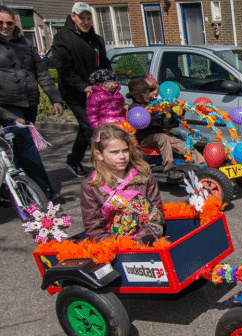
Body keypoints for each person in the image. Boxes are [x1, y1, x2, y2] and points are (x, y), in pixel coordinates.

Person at [0, 5, 64, 200]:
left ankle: (17, 188)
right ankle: (44, 188)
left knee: (17, 147)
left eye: (9, 22)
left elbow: (42, 72)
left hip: (29, 102)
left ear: (14, 23)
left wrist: (55, 98)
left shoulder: (25, 43)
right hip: (6, 103)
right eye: (0, 22)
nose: (5, 26)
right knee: (25, 143)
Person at [51, 2, 111, 177]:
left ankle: (73, 160)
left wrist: (109, 80)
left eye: (88, 18)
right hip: (75, 93)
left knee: (87, 129)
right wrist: (82, 86)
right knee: (91, 128)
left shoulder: (96, 39)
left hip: (96, 93)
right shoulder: (63, 37)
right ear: (73, 17)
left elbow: (105, 64)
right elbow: (63, 68)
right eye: (81, 18)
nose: (85, 22)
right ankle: (102, 167)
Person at [80, 123, 164, 244]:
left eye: (125, 150)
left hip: (145, 243)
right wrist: (120, 245)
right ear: (99, 155)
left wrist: (139, 242)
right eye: (114, 152)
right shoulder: (91, 187)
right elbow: (95, 229)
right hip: (112, 247)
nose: (122, 157)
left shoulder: (145, 179)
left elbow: (155, 218)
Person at [126, 77, 204, 180]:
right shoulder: (135, 108)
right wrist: (158, 115)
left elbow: (164, 124)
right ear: (137, 95)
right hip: (145, 138)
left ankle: (204, 164)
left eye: (148, 92)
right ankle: (169, 169)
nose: (149, 95)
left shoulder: (152, 104)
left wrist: (173, 116)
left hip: (160, 135)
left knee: (181, 143)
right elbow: (145, 122)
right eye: (146, 93)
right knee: (163, 138)